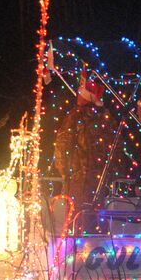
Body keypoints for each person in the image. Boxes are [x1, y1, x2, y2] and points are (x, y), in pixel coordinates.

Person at [53, 74, 114, 224]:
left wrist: (64, 173)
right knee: (95, 223)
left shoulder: (75, 117)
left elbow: (63, 145)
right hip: (100, 182)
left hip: (77, 180)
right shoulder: (106, 120)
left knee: (75, 221)